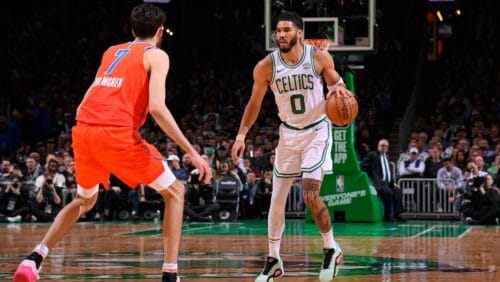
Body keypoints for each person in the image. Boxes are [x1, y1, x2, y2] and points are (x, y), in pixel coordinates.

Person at [13, 4, 211, 282]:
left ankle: (35, 258)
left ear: (132, 30)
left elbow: (88, 96)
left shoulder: (112, 51)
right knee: (176, 192)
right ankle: (170, 274)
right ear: (159, 32)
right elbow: (156, 107)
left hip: (83, 130)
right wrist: (193, 152)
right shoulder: (157, 55)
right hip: (115, 133)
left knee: (84, 199)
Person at [231, 11, 346, 281]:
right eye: (278, 30)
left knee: (309, 194)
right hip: (289, 135)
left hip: (317, 131)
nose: (281, 34)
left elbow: (335, 83)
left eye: (286, 30)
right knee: (276, 200)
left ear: (299, 33)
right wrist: (241, 135)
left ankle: (331, 248)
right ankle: (273, 260)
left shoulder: (317, 57)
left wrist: (340, 90)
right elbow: (254, 103)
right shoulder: (265, 66)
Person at [361, 139, 403, 222]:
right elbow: (363, 166)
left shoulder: (387, 156)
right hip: (379, 183)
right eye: (382, 145)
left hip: (388, 183)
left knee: (397, 191)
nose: (384, 147)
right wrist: (369, 179)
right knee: (388, 193)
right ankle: (387, 215)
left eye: (386, 146)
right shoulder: (372, 155)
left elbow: (388, 171)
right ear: (378, 146)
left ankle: (398, 214)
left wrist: (393, 183)